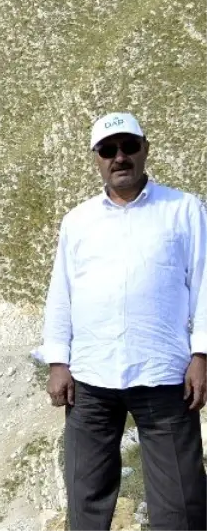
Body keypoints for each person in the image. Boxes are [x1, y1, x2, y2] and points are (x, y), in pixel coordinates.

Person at [40, 112, 207, 529]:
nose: (120, 157)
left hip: (164, 375)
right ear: (96, 159)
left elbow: (206, 282)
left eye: (128, 146)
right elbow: (62, 292)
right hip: (91, 379)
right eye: (108, 150)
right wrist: (58, 361)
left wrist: (202, 353)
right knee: (86, 497)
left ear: (145, 149)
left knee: (181, 503)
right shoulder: (77, 222)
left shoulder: (184, 210)